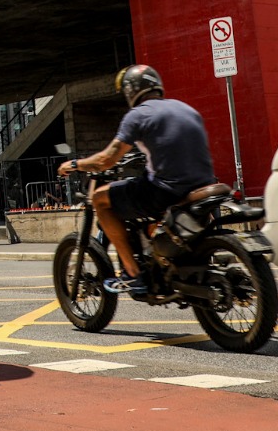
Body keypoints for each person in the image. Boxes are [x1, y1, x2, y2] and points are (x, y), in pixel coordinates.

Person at [56, 64, 218, 298]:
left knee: (100, 199)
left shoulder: (138, 115)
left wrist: (74, 164)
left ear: (131, 91)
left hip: (166, 191)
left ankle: (132, 273)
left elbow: (106, 160)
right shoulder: (186, 109)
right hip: (204, 186)